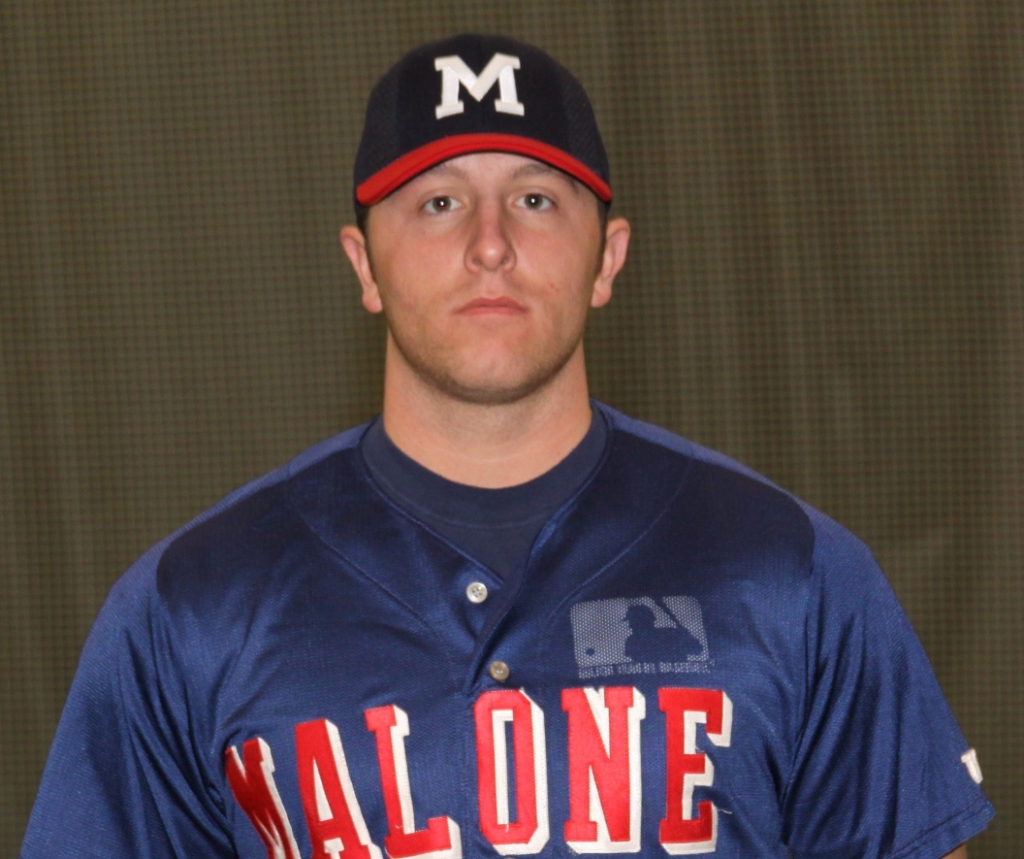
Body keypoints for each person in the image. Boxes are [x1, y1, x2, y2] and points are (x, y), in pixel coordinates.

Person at [20, 33, 993, 859]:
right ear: (363, 263)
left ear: (608, 257)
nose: (490, 244)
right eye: (436, 202)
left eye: (536, 200)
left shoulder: (795, 573)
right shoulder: (190, 606)